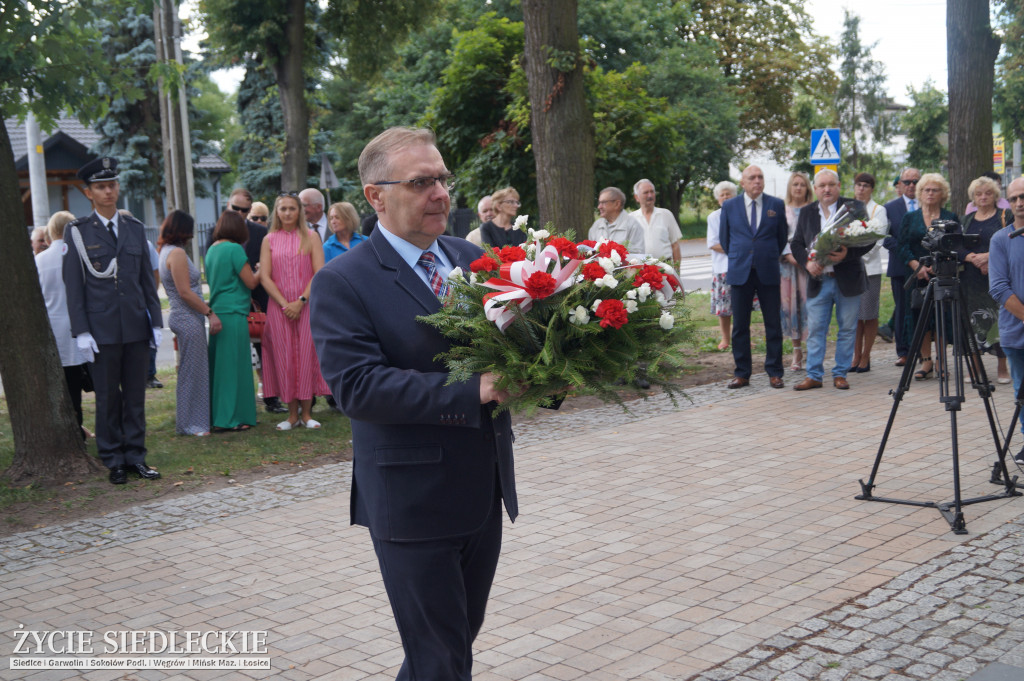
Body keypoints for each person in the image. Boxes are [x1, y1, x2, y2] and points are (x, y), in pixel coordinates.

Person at [310, 126, 517, 681]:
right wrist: (472, 389)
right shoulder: (342, 281)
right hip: (412, 500)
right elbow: (358, 387)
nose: (441, 194)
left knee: (451, 647)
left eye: (443, 179)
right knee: (439, 658)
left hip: (483, 489)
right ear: (376, 196)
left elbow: (514, 349)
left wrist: (556, 368)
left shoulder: (469, 256)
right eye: (422, 182)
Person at [62, 156, 163, 485]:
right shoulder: (77, 232)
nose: (108, 192)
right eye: (100, 187)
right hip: (101, 331)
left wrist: (157, 322)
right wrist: (81, 332)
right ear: (89, 193)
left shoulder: (134, 229)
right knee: (107, 397)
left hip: (134, 326)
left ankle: (136, 455)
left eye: (112, 185)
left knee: (135, 395)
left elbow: (147, 282)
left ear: (118, 188)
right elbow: (74, 287)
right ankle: (113, 458)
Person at [790, 169, 870, 390]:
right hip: (819, 281)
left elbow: (868, 240)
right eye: (822, 185)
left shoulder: (854, 208)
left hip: (848, 280)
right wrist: (807, 263)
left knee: (847, 329)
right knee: (816, 329)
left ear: (838, 185)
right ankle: (814, 375)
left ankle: (840, 373)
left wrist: (847, 254)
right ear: (815, 189)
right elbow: (796, 243)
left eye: (831, 184)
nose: (827, 189)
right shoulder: (806, 213)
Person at [260, 191, 330, 430]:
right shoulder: (269, 240)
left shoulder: (311, 237)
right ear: (276, 212)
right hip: (278, 308)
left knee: (306, 355)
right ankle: (291, 414)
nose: (287, 213)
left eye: (292, 208)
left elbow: (318, 272)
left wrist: (300, 301)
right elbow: (266, 278)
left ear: (299, 211)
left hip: (306, 306)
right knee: (284, 357)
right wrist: (284, 303)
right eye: (283, 209)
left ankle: (308, 413)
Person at [719, 165, 788, 389]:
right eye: (752, 178)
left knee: (773, 324)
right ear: (742, 182)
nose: (757, 181)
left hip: (767, 270)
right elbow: (725, 239)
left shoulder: (776, 204)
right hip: (740, 271)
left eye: (760, 177)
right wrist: (742, 256)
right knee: (740, 325)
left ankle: (775, 372)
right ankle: (742, 373)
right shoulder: (730, 205)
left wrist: (765, 256)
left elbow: (781, 237)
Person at [158, 210, 218, 436]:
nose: (192, 235)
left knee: (190, 371)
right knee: (194, 372)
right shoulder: (177, 254)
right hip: (187, 317)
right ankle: (193, 424)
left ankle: (190, 421)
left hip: (182, 316)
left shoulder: (164, 251)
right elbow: (185, 292)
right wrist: (209, 312)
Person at [896, 173, 958, 380]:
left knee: (940, 317)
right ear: (920, 193)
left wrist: (938, 266)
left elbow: (955, 245)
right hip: (916, 276)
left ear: (943, 194)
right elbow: (902, 246)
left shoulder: (950, 217)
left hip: (941, 275)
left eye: (935, 190)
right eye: (926, 190)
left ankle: (941, 361)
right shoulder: (910, 218)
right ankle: (926, 361)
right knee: (919, 317)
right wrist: (916, 266)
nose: (930, 193)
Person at [227, 188, 283, 414]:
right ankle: (238, 401)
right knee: (233, 353)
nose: (240, 213)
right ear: (229, 206)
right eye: (236, 209)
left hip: (258, 298)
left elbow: (269, 266)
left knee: (266, 351)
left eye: (245, 210)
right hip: (232, 300)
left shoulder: (260, 234)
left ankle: (271, 398)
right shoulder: (217, 232)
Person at [37, 211, 93, 439]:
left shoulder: (39, 260)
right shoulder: (80, 256)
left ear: (51, 231)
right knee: (75, 384)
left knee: (58, 384)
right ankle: (77, 427)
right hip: (78, 327)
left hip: (52, 329)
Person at [206, 210, 262, 431]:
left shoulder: (212, 249)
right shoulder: (234, 249)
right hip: (234, 313)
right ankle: (230, 419)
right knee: (235, 369)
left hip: (218, 311)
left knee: (220, 369)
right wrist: (261, 269)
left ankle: (218, 414)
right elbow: (250, 282)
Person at [958, 175, 1013, 383]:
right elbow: (957, 246)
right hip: (970, 280)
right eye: (979, 194)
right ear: (972, 197)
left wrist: (989, 257)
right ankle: (975, 368)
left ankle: (1002, 368)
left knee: (999, 321)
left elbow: (1010, 242)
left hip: (997, 277)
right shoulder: (965, 220)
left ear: (995, 196)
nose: (983, 197)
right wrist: (971, 257)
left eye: (988, 193)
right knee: (972, 323)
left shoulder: (1005, 216)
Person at [988, 177, 1024, 462]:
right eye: (1013, 199)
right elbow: (999, 287)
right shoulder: (1001, 239)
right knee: (1022, 388)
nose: (1020, 203)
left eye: (1023, 197)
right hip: (1015, 330)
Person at [850, 173, 890, 373]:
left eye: (866, 185)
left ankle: (866, 356)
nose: (862, 189)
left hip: (870, 268)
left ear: (871, 188)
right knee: (855, 315)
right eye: (859, 185)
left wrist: (859, 254)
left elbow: (879, 238)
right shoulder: (848, 208)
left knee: (869, 313)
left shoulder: (878, 210)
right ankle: (855, 356)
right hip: (850, 269)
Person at [883, 167, 922, 366]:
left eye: (915, 181)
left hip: (925, 267)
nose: (911, 185)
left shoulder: (928, 203)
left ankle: (924, 352)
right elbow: (885, 238)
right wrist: (907, 257)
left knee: (923, 309)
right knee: (902, 309)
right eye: (907, 182)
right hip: (900, 267)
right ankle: (904, 351)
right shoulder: (890, 208)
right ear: (900, 184)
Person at [780, 172, 812, 371]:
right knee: (790, 307)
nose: (798, 188)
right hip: (787, 265)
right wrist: (790, 256)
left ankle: (813, 349)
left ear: (807, 187)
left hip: (809, 264)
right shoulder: (782, 210)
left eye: (802, 184)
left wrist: (808, 258)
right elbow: (778, 237)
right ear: (790, 188)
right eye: (795, 185)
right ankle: (796, 351)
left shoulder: (814, 209)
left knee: (810, 306)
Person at [706, 181, 739, 350]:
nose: (726, 197)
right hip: (722, 268)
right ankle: (725, 339)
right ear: (718, 198)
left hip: (741, 266)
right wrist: (735, 250)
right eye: (722, 194)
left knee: (742, 306)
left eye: (729, 194)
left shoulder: (742, 214)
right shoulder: (714, 217)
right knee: (724, 308)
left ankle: (742, 338)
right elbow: (712, 243)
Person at [631, 178, 682, 263]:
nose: (650, 195)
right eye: (646, 192)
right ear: (637, 197)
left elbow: (675, 245)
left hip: (665, 267)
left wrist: (677, 271)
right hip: (641, 269)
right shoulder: (631, 219)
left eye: (652, 192)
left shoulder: (666, 214)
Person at [589, 187, 645, 253]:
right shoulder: (596, 226)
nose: (599, 207)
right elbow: (590, 254)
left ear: (617, 204)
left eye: (603, 202)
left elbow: (638, 256)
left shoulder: (633, 225)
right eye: (599, 202)